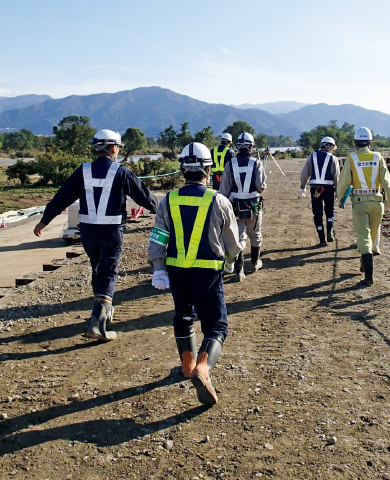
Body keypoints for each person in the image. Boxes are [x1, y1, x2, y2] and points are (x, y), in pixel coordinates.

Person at [34, 129, 158, 341]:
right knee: (109, 272)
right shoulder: (121, 172)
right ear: (112, 148)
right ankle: (98, 324)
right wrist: (165, 214)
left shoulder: (82, 171)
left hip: (89, 233)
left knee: (97, 268)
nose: (118, 151)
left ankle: (104, 308)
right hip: (111, 232)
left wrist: (45, 220)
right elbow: (145, 197)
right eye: (117, 147)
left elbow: (62, 197)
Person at [149, 142, 243, 406]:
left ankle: (188, 366)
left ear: (182, 169)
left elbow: (158, 237)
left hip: (177, 272)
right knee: (216, 325)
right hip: (208, 272)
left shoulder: (168, 200)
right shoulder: (219, 200)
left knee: (183, 316)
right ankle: (203, 368)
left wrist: (158, 268)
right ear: (208, 169)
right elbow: (232, 244)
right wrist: (231, 262)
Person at [336, 127, 390, 286]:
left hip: (359, 202)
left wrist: (340, 198)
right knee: (372, 235)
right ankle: (364, 264)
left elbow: (343, 182)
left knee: (363, 236)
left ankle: (369, 276)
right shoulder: (378, 157)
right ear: (370, 142)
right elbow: (388, 183)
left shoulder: (351, 158)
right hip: (377, 202)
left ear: (355, 142)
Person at [218, 132, 267, 281]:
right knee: (255, 234)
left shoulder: (229, 164)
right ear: (251, 147)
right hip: (254, 204)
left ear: (237, 146)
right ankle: (254, 263)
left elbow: (224, 190)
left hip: (235, 206)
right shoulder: (256, 163)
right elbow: (261, 186)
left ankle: (239, 271)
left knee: (238, 237)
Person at [300, 136, 340, 246]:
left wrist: (302, 186)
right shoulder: (333, 158)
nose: (332, 149)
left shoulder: (311, 157)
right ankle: (329, 231)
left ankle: (322, 239)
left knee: (317, 214)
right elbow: (336, 176)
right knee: (330, 211)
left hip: (315, 189)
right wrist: (337, 190)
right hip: (329, 189)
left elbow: (304, 174)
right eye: (332, 147)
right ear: (329, 145)